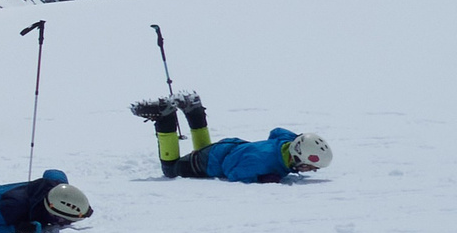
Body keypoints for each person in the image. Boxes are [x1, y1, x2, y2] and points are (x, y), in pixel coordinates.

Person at [129, 93, 331, 181]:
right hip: (211, 162)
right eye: (310, 166)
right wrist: (263, 178)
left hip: (225, 148)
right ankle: (164, 118)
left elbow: (277, 131)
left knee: (200, 153)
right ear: (299, 159)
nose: (310, 171)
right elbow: (233, 172)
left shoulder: (283, 144)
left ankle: (194, 109)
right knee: (171, 170)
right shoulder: (265, 162)